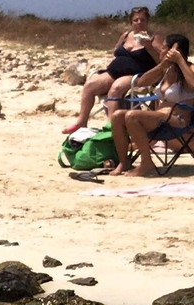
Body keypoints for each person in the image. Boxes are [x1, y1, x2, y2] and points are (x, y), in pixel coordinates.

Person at [63, 6, 163, 134]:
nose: (139, 23)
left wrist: (148, 47)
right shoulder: (126, 35)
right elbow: (116, 51)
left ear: (147, 21)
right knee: (90, 86)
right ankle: (81, 122)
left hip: (138, 74)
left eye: (142, 20)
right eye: (136, 20)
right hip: (115, 71)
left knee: (115, 88)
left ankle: (112, 127)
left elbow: (161, 61)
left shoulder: (153, 37)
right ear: (131, 22)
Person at [110, 34, 194, 177]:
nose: (160, 50)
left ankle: (147, 163)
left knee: (132, 116)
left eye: (164, 47)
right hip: (160, 119)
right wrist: (162, 65)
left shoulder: (189, 69)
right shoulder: (166, 69)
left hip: (178, 120)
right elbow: (141, 82)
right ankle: (123, 162)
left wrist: (180, 61)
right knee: (117, 116)